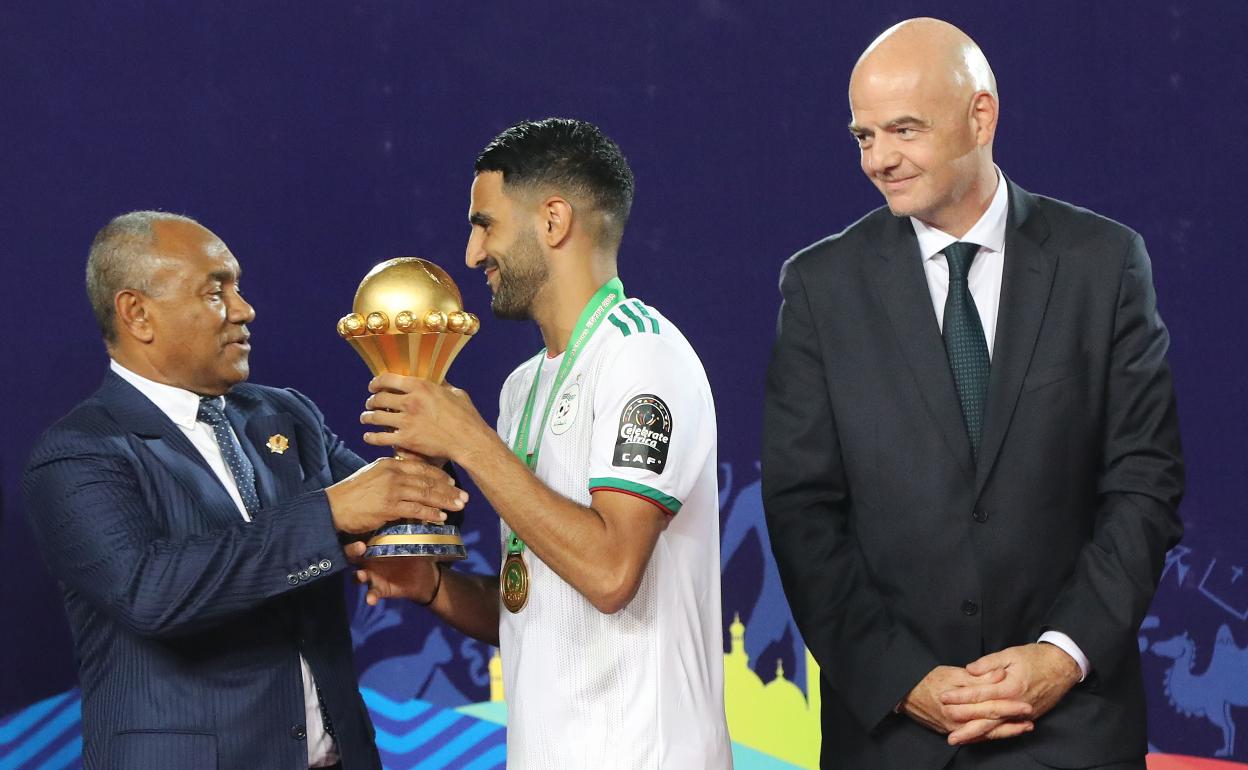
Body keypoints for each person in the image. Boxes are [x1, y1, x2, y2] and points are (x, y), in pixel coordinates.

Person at [761, 18, 1184, 770]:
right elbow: (802, 512)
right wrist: (902, 679)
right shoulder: (821, 287)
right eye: (864, 137)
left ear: (980, 116)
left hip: (1072, 731)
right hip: (893, 738)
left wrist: (1062, 655)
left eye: (904, 130)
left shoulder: (1104, 263)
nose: (879, 159)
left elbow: (1144, 484)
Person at [349, 118, 732, 769]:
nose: (472, 254)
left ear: (553, 221)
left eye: (485, 225)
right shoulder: (523, 386)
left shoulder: (642, 357)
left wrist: (469, 441)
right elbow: (533, 605)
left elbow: (610, 573)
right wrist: (432, 586)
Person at [22, 211, 466, 770]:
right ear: (137, 313)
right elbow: (152, 594)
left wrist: (429, 452)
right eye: (216, 292)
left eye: (237, 288)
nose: (244, 309)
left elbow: (408, 526)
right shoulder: (78, 452)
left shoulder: (286, 415)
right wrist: (330, 515)